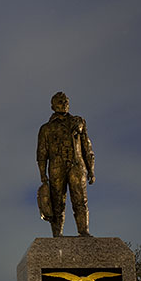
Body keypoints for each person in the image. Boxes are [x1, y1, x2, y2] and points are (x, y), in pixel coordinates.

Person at [36, 91, 95, 237]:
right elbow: (42, 153)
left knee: (80, 199)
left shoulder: (78, 122)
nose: (64, 104)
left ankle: (84, 231)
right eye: (61, 101)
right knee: (57, 201)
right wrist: (42, 174)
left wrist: (91, 169)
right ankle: (57, 234)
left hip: (77, 165)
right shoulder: (46, 128)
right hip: (56, 166)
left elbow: (87, 147)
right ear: (53, 105)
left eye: (66, 101)